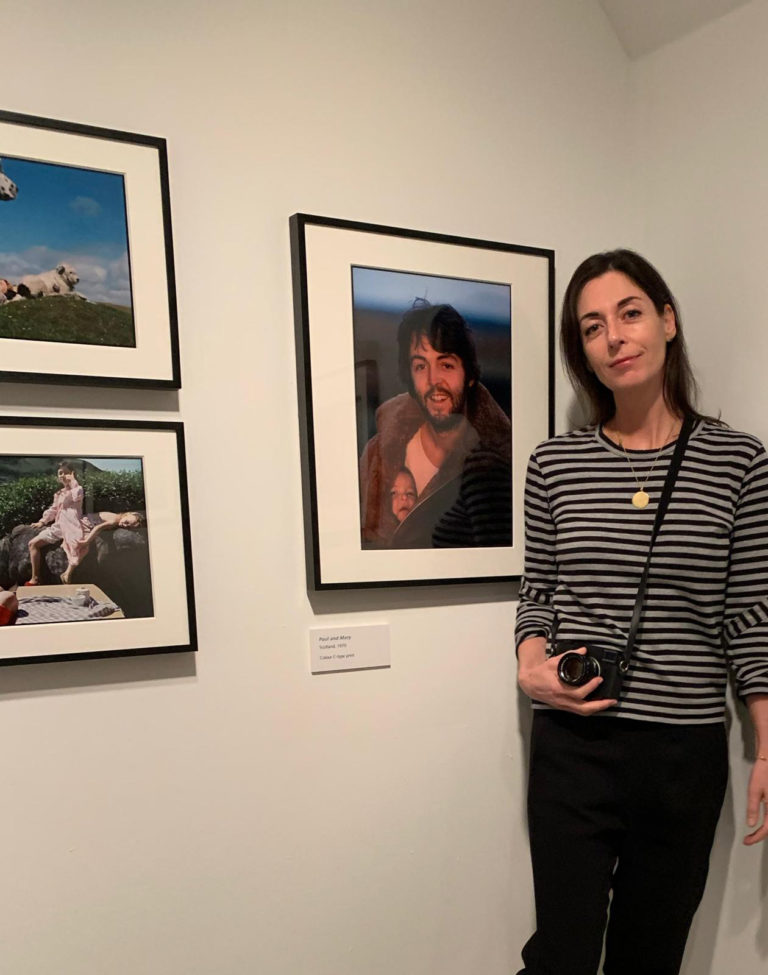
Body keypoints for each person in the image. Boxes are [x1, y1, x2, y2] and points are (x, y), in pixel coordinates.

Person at [515, 249, 768, 975]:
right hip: (574, 742)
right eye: (592, 327)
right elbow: (538, 592)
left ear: (667, 320)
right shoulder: (554, 464)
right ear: (583, 353)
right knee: (559, 954)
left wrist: (765, 746)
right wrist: (532, 668)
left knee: (648, 958)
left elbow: (750, 615)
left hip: (681, 755)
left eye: (629, 313)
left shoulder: (738, 461)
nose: (614, 337)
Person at [359, 301, 512, 548]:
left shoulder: (495, 463)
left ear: (470, 375)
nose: (433, 380)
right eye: (420, 366)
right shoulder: (377, 454)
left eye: (446, 364)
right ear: (409, 376)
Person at [27, 462, 85, 585]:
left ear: (73, 474)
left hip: (71, 525)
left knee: (76, 548)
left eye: (66, 473)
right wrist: (42, 521)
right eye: (60, 473)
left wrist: (73, 481)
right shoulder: (59, 493)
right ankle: (35, 578)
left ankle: (67, 574)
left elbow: (76, 497)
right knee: (32, 543)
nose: (63, 475)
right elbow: (53, 509)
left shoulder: (78, 489)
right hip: (58, 526)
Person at [61, 511, 146, 584]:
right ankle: (68, 572)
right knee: (83, 548)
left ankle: (68, 571)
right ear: (126, 514)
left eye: (128, 527)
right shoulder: (114, 520)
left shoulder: (117, 520)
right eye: (126, 522)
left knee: (83, 549)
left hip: (87, 524)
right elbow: (98, 528)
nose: (124, 525)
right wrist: (87, 541)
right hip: (84, 524)